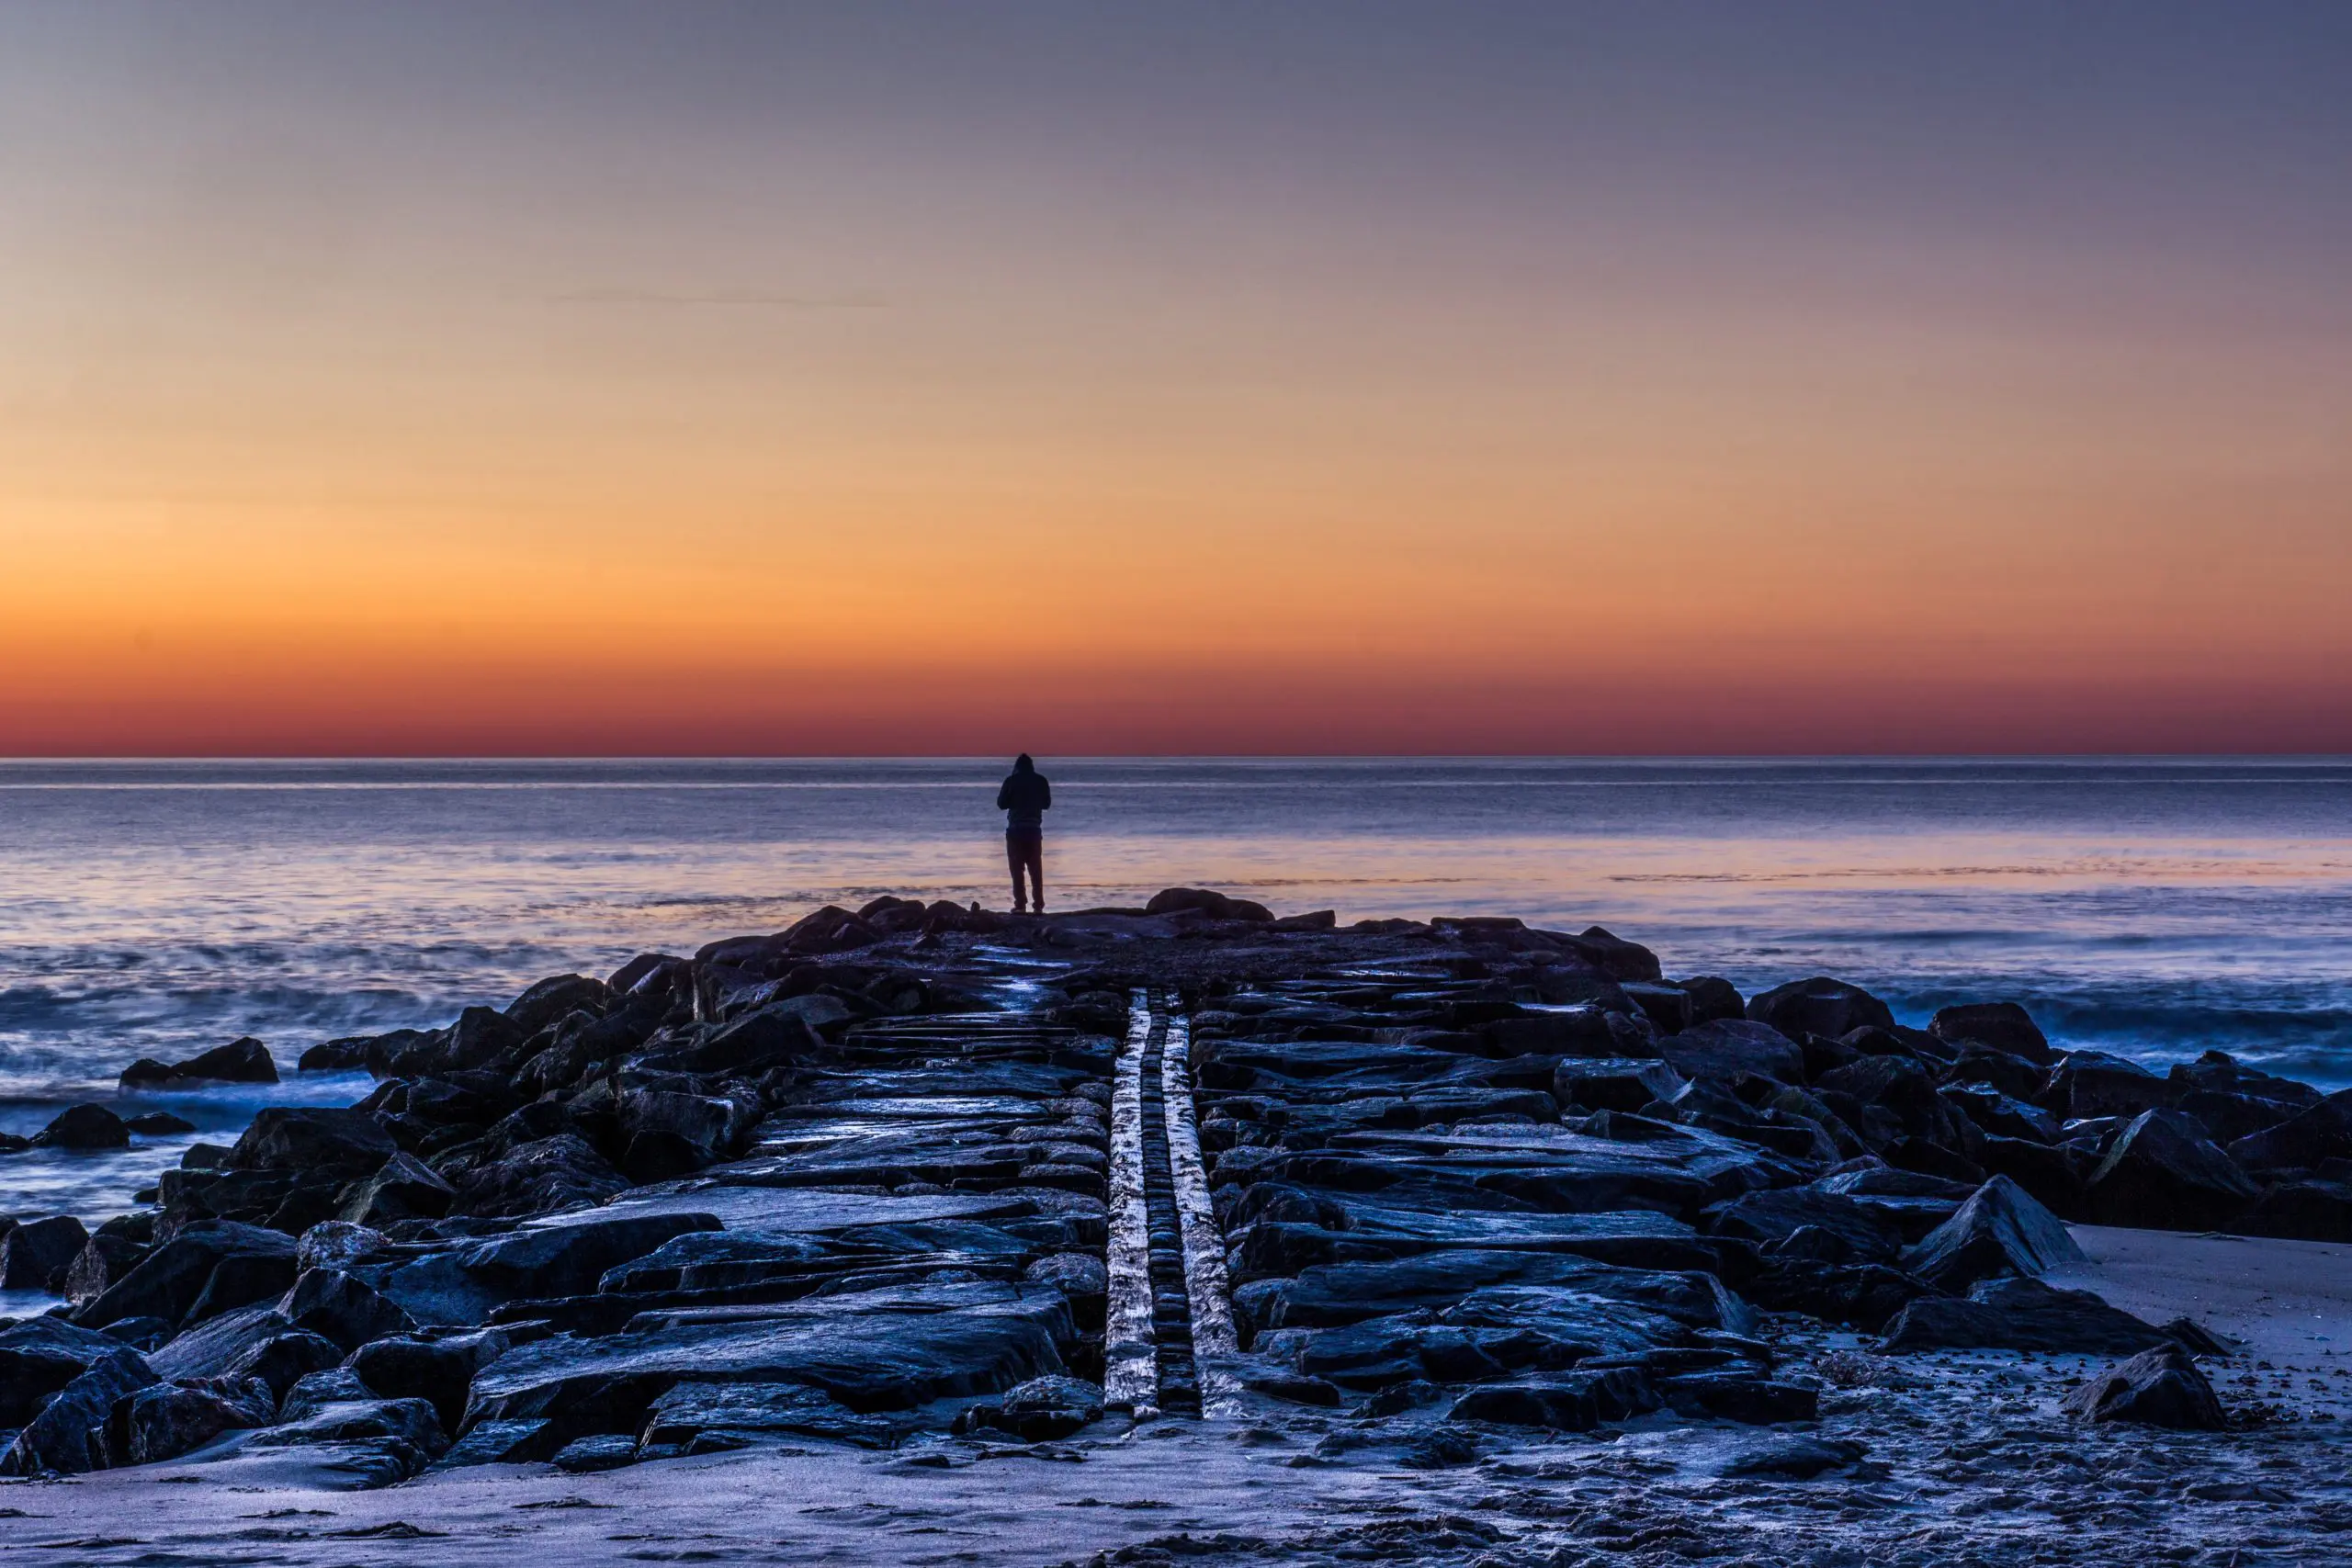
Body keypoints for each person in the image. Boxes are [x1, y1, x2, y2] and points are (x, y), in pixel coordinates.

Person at [996, 753, 1051, 913]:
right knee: (1035, 869)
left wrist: (1015, 799)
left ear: (1017, 767)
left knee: (1017, 869)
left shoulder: (1011, 781)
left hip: (1015, 830)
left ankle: (1020, 904)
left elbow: (1001, 804)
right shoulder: (1041, 781)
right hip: (1034, 829)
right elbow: (1046, 804)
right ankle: (1038, 905)